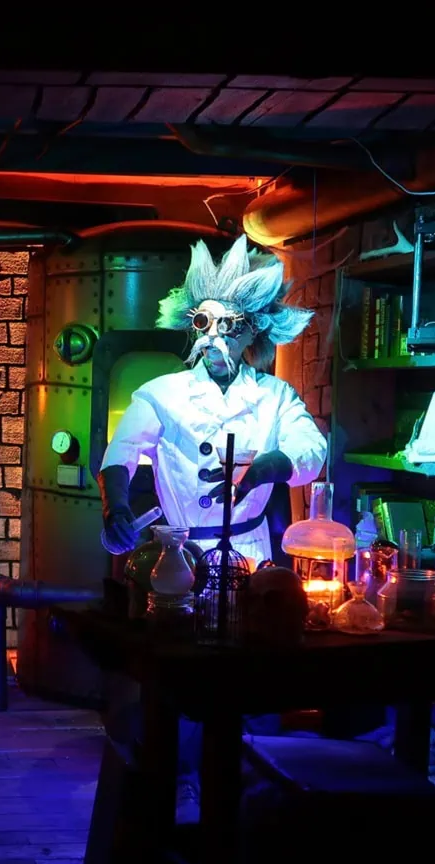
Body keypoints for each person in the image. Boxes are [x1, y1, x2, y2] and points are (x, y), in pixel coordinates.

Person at [97, 236, 329, 823]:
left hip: (249, 547)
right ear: (193, 326)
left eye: (233, 328)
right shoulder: (161, 395)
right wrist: (115, 505)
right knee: (182, 663)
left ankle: (248, 787)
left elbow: (311, 449)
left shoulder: (275, 397)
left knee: (248, 660)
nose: (217, 340)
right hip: (182, 552)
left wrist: (268, 467)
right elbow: (122, 452)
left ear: (254, 333)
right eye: (207, 324)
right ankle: (175, 783)